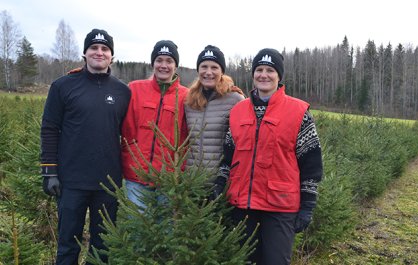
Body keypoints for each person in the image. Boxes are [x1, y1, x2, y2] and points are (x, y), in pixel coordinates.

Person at [214, 48, 323, 265]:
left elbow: (311, 165)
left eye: (270, 70)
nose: (264, 75)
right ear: (253, 74)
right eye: (259, 70)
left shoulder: (299, 113)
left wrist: (307, 205)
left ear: (279, 76)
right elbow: (228, 159)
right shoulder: (237, 112)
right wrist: (220, 185)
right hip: (242, 207)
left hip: (280, 208)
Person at [40, 29, 131, 264]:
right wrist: (49, 171)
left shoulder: (123, 91)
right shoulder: (63, 86)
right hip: (71, 182)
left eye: (104, 49)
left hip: (108, 184)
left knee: (102, 246)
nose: (99, 52)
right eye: (94, 48)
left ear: (112, 55)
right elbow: (49, 129)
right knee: (68, 244)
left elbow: (130, 134)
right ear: (85, 52)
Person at [121, 40, 188, 209]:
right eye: (159, 60)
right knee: (138, 227)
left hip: (168, 179)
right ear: (153, 63)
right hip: (136, 176)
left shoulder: (186, 96)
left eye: (169, 61)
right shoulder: (134, 89)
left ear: (176, 66)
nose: (163, 65)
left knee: (166, 231)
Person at [185, 45, 244, 181]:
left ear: (222, 71)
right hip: (191, 182)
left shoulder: (235, 99)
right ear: (198, 70)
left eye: (214, 67)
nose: (208, 72)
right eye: (204, 66)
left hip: (221, 182)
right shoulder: (189, 101)